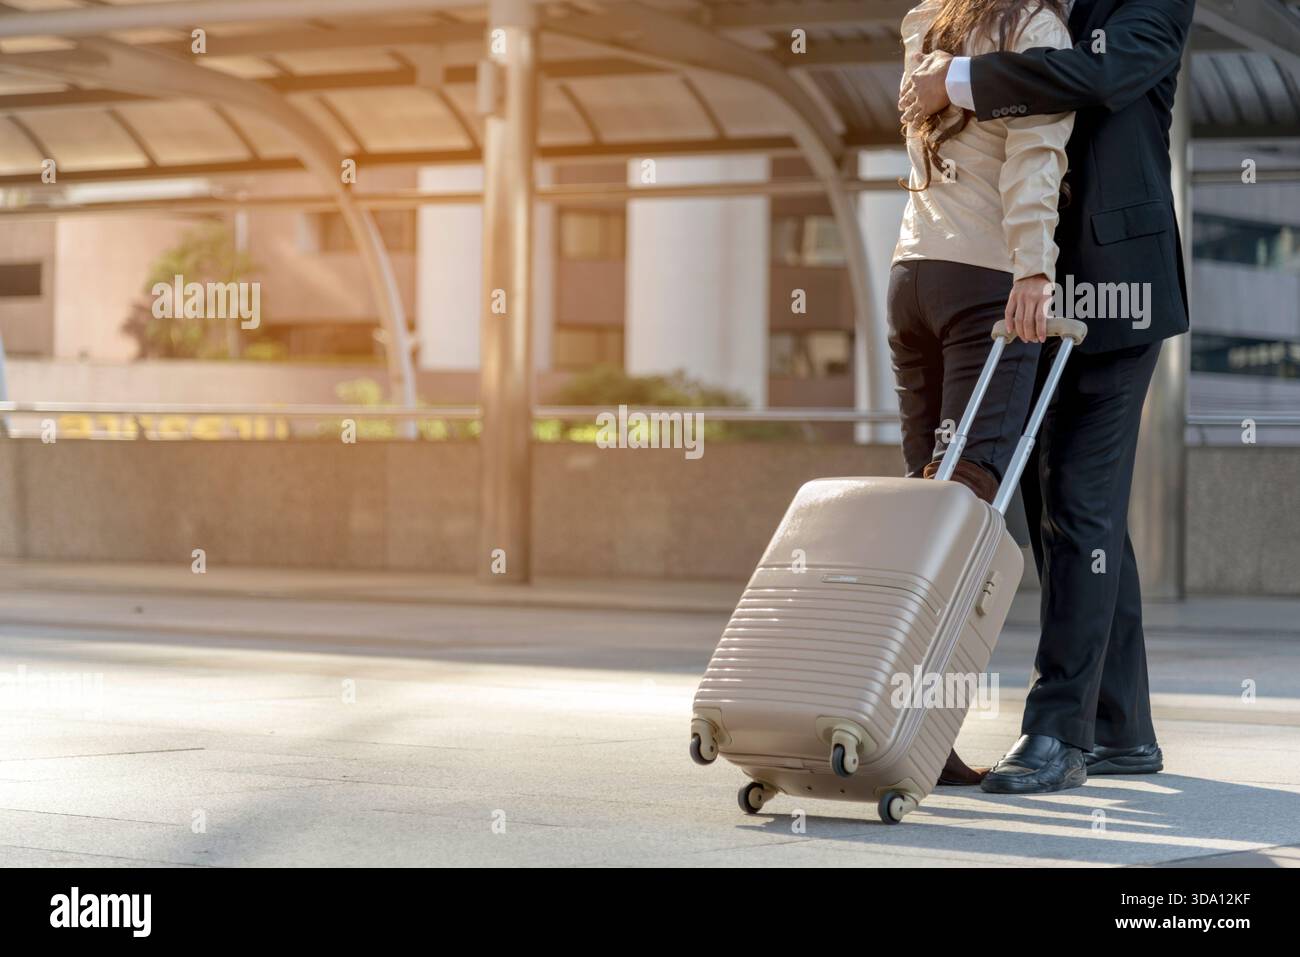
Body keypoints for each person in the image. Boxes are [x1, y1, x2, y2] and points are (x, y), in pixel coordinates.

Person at [900, 0, 1194, 793]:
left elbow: (1098, 76)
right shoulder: (1034, 8)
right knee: (1064, 513)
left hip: (1115, 292)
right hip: (1026, 288)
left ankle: (1057, 732)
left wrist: (959, 80)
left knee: (1084, 507)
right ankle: (1119, 724)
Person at [889, 0, 1074, 785]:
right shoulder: (1036, 32)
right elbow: (1035, 157)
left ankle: (895, 719)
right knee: (967, 518)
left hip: (911, 275)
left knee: (924, 511)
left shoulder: (925, 22)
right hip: (983, 284)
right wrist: (1034, 266)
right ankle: (916, 734)